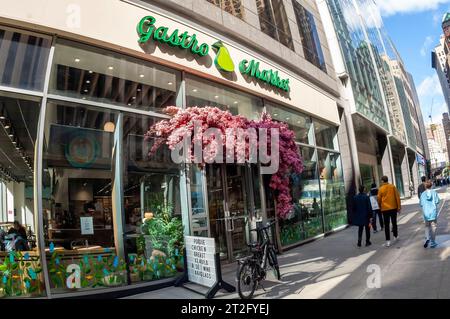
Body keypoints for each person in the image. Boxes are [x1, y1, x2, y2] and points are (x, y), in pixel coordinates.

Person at [378, 176, 401, 247]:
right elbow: (397, 197)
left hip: (385, 209)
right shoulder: (392, 187)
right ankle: (395, 236)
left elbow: (379, 199)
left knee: (386, 225)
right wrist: (399, 207)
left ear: (382, 181)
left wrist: (380, 206)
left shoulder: (381, 189)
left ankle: (388, 241)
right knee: (394, 223)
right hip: (393, 207)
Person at [420, 181, 440, 249]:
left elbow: (421, 204)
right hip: (433, 213)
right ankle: (433, 243)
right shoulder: (434, 193)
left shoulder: (422, 194)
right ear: (431, 186)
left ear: (425, 186)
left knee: (427, 227)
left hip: (426, 214)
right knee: (433, 228)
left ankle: (427, 238)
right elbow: (437, 201)